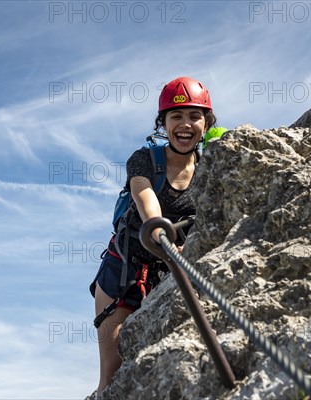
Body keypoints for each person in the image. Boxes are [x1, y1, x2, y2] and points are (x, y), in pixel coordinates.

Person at [89, 76, 217, 396]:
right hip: (125, 269)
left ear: (206, 123)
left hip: (171, 269)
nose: (185, 124)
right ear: (164, 123)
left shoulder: (211, 167)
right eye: (176, 116)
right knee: (113, 374)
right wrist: (160, 230)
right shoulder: (144, 159)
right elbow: (146, 199)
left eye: (194, 116)